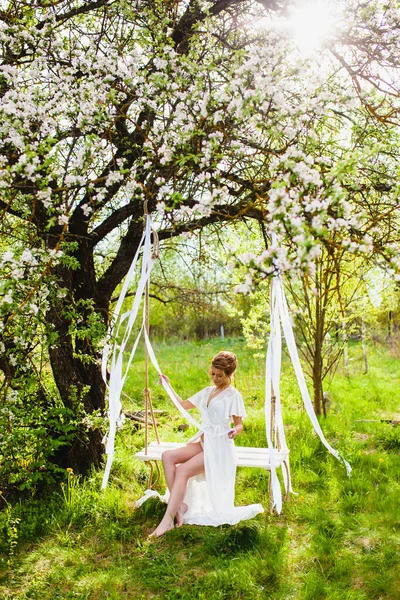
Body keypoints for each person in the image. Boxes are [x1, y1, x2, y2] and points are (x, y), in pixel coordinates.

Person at [150, 351, 264, 537]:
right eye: (213, 374)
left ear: (229, 375)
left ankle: (167, 520)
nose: (215, 378)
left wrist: (235, 431)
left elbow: (239, 424)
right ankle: (180, 506)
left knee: (182, 470)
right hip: (204, 441)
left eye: (220, 376)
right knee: (167, 456)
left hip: (219, 447)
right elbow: (183, 405)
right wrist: (168, 387)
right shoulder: (206, 392)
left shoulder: (233, 395)